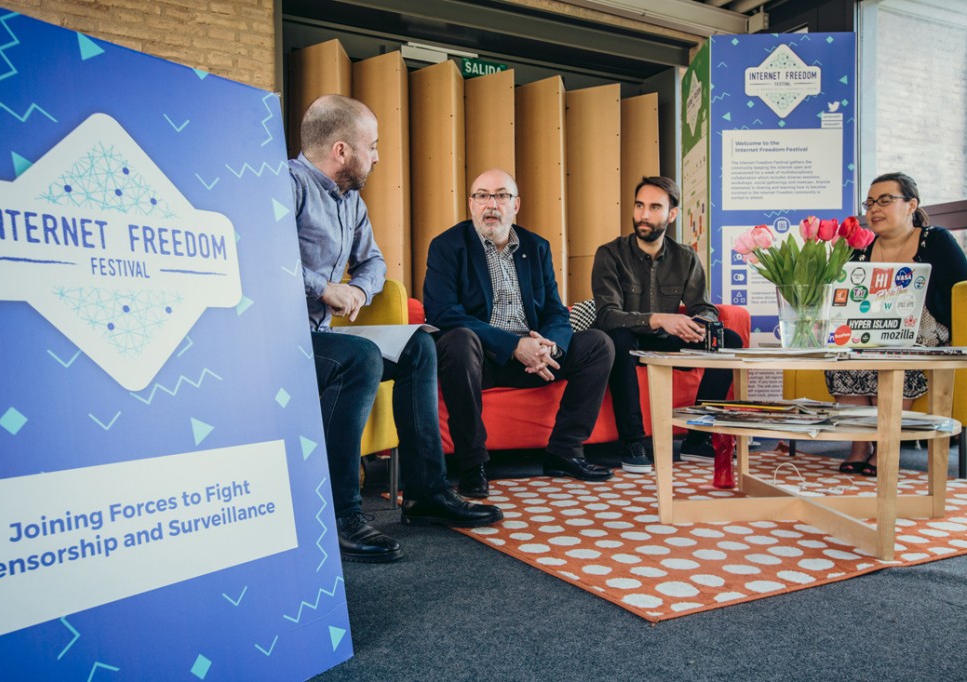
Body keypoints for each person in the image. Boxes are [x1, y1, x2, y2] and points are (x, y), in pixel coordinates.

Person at [290, 94, 502, 563]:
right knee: (362, 357)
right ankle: (339, 514)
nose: (379, 155)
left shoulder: (351, 201)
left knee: (418, 345)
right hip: (281, 336)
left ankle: (426, 492)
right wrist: (325, 288)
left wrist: (361, 293)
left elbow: (374, 262)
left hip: (321, 335)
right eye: (374, 145)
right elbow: (261, 257)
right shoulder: (287, 184)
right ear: (342, 150)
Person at [424, 169, 616, 498]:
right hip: (481, 359)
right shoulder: (447, 246)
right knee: (457, 340)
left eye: (501, 195)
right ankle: (472, 463)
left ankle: (564, 451)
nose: (491, 205)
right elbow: (443, 313)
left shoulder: (536, 246)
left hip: (535, 358)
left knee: (598, 345)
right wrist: (514, 345)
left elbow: (555, 310)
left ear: (516, 205)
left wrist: (548, 349)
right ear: (471, 205)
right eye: (482, 196)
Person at [592, 176, 743, 473]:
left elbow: (705, 308)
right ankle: (633, 441)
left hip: (669, 338)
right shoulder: (609, 254)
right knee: (618, 339)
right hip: (629, 338)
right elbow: (607, 315)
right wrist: (658, 318)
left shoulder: (685, 257)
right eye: (639, 206)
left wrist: (700, 324)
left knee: (730, 340)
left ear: (672, 214)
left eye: (654, 207)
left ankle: (698, 439)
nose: (644, 215)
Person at [826, 172, 967, 476]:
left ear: (911, 205)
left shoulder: (935, 240)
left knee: (896, 356)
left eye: (885, 200)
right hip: (868, 329)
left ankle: (886, 447)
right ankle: (860, 445)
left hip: (923, 332)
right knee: (843, 358)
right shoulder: (860, 249)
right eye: (870, 202)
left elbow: (961, 290)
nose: (874, 209)